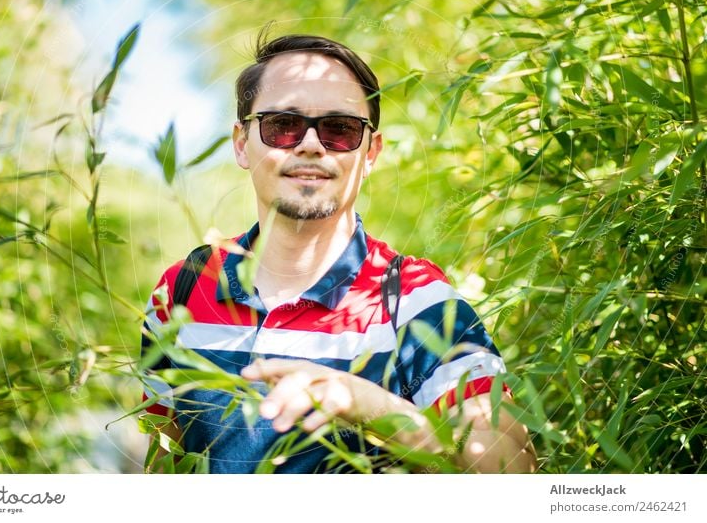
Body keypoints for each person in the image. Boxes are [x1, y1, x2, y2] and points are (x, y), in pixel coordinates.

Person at [140, 31, 537, 474]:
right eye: (282, 125)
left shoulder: (415, 299)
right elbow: (163, 462)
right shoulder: (182, 289)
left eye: (340, 130)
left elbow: (507, 470)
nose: (310, 144)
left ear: (370, 153)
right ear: (241, 143)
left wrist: (361, 403)